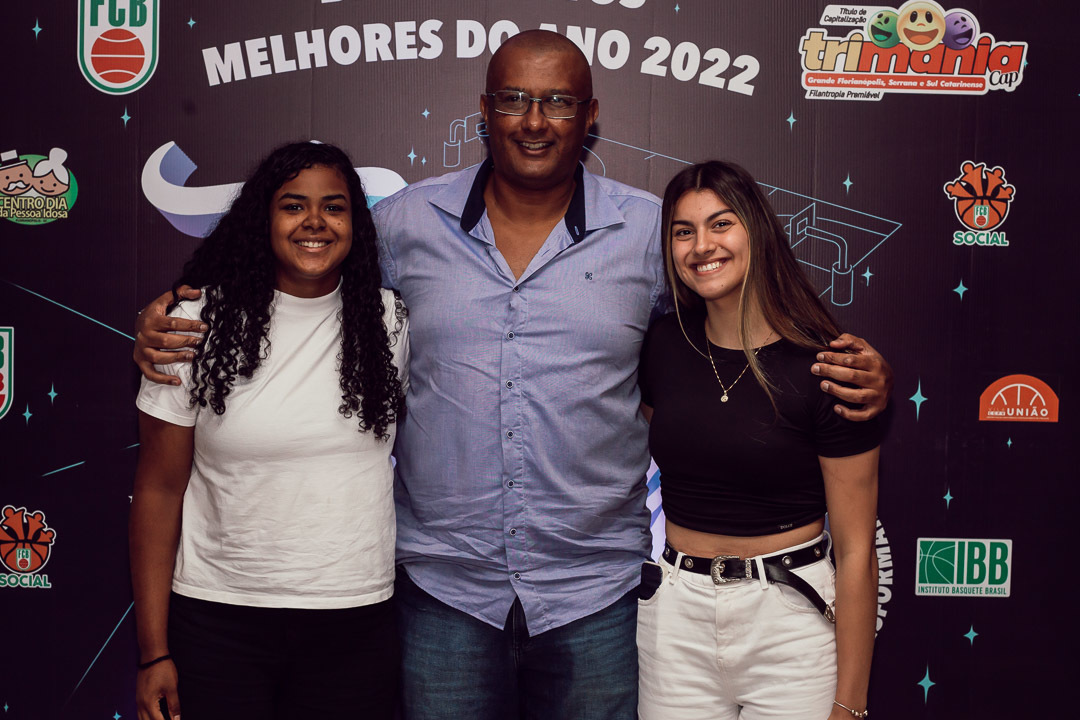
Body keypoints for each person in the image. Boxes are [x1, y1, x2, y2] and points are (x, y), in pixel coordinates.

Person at [132, 32, 892, 720]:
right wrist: (177, 311)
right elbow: (301, 278)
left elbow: (735, 323)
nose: (534, 121)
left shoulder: (648, 233)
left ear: (589, 115)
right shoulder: (404, 225)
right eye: (513, 100)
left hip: (595, 595)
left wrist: (853, 364)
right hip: (444, 592)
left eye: (557, 101)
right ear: (485, 111)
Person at [129, 142, 408, 720]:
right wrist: (153, 652)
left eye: (334, 207)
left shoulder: (391, 321)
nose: (314, 222)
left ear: (356, 224)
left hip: (354, 620)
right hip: (219, 619)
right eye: (293, 205)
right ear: (264, 218)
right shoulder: (193, 324)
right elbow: (158, 490)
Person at [636, 161, 879, 720]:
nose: (702, 245)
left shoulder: (829, 367)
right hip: (675, 620)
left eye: (721, 224)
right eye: (683, 231)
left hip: (790, 620)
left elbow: (856, 552)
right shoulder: (661, 345)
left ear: (757, 230)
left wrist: (851, 704)